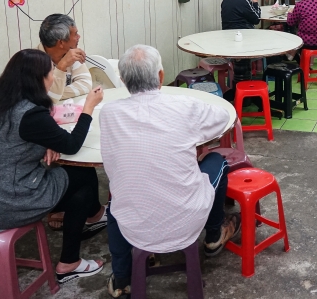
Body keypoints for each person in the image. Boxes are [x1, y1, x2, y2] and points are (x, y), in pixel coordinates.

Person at [101, 45, 240, 297]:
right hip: (186, 220)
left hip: (134, 225)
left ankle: (121, 278)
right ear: (161, 76)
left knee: (114, 205)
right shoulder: (184, 107)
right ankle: (214, 234)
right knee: (217, 161)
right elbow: (223, 118)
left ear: (122, 81)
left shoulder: (109, 113)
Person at [0, 49, 107, 284]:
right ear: (38, 79)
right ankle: (78, 246)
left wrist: (46, 142)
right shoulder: (30, 115)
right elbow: (71, 145)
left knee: (79, 188)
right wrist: (89, 108)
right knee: (82, 176)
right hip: (8, 203)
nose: (53, 76)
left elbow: (12, 144)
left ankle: (91, 222)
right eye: (51, 71)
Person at [38, 14, 93, 102]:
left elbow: (85, 85)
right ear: (61, 43)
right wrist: (62, 65)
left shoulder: (70, 52)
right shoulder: (33, 61)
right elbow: (47, 98)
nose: (79, 37)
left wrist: (56, 94)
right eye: (75, 34)